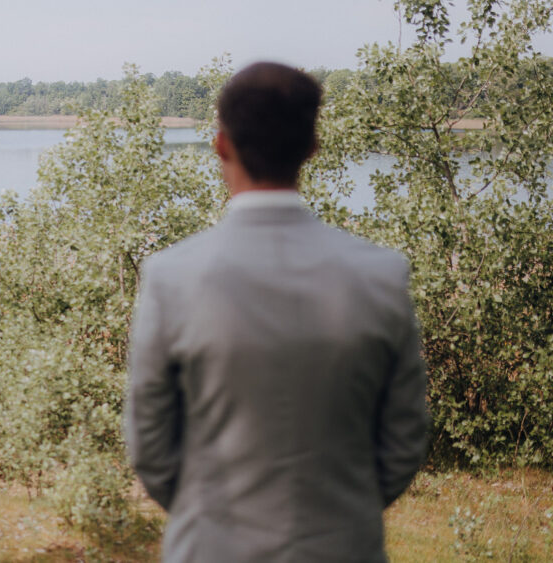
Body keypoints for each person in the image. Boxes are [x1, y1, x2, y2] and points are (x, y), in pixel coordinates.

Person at [125, 62, 428, 562]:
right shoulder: (381, 274)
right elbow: (404, 437)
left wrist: (209, 514)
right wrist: (343, 513)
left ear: (221, 144)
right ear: (312, 147)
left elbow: (151, 444)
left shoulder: (172, 276)